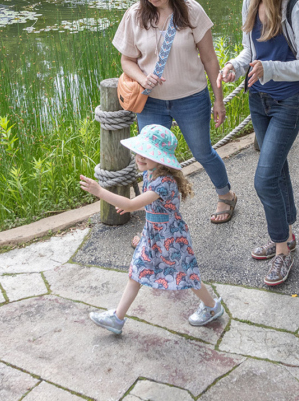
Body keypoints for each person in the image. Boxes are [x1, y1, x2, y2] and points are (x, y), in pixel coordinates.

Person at [113, 0, 237, 244]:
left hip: (191, 97)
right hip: (151, 101)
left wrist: (219, 100)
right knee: (150, 161)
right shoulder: (135, 15)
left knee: (202, 151)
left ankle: (226, 195)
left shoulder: (191, 11)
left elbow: (209, 58)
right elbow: (127, 60)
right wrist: (143, 79)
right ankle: (153, 225)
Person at [219, 0, 299, 287]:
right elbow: (251, 52)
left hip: (287, 105)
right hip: (258, 101)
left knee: (264, 179)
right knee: (276, 171)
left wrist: (270, 69)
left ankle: (282, 253)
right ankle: (286, 235)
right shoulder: (250, 1)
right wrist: (236, 65)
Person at [79, 125, 224, 334]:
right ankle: (117, 319)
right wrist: (134, 204)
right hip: (153, 234)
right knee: (136, 272)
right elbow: (140, 203)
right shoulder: (150, 174)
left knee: (188, 274)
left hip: (171, 238)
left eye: (147, 154)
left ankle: (212, 307)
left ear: (161, 158)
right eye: (139, 152)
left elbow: (132, 204)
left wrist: (100, 191)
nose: (140, 157)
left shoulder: (164, 182)